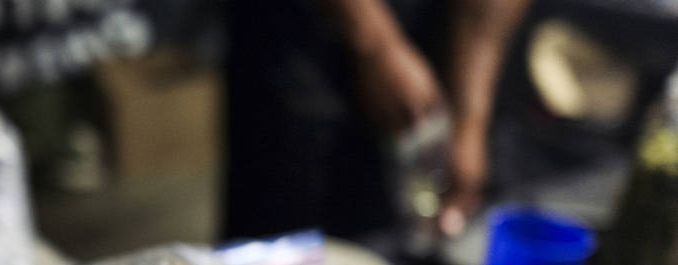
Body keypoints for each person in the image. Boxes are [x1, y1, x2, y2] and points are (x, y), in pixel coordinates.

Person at [225, 0, 530, 240]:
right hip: (307, 33)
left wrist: (469, 122)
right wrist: (376, 44)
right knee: (283, 230)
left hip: (445, 26)